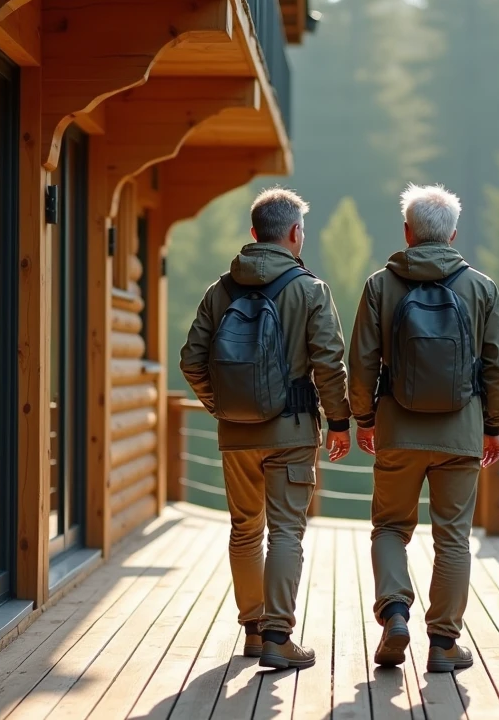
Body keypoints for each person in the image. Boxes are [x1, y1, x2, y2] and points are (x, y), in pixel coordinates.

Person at [180, 187, 352, 671]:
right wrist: (339, 423)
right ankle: (279, 636)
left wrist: (222, 407)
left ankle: (253, 632)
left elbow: (191, 361)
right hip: (293, 431)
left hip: (236, 435)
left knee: (244, 530)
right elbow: (329, 364)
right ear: (295, 234)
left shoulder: (221, 290)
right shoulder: (309, 289)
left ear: (254, 233)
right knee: (286, 534)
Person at [348, 183, 499, 673]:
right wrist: (492, 425)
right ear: (454, 234)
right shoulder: (481, 288)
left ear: (407, 232)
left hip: (397, 429)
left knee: (390, 527)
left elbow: (361, 362)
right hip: (461, 432)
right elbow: (498, 367)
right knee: (453, 538)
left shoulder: (381, 284)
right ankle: (443, 645)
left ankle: (395, 611)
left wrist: (362, 417)